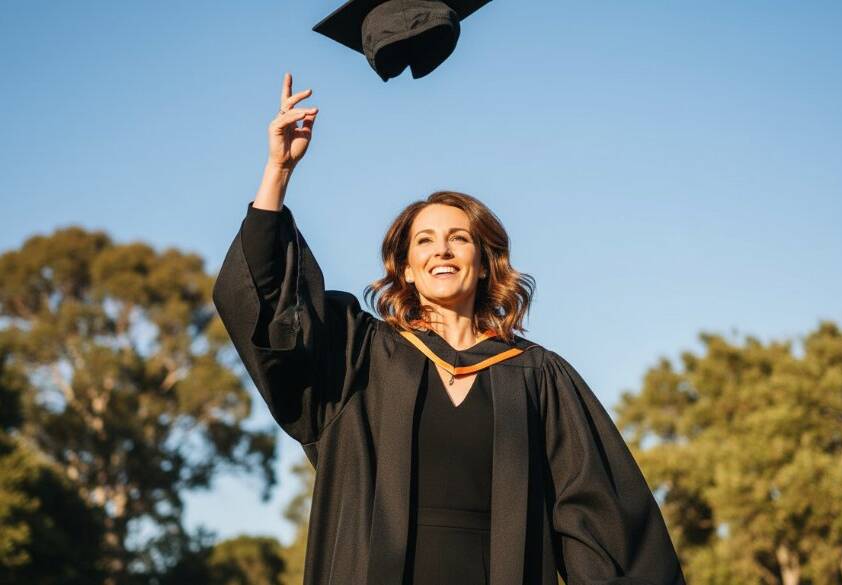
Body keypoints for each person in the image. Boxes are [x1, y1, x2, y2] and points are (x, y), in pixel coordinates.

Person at [212, 71, 686, 585]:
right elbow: (270, 311)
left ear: (483, 263)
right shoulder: (359, 355)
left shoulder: (537, 376)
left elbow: (599, 518)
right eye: (425, 241)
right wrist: (278, 171)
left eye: (459, 238)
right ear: (407, 268)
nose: (442, 249)